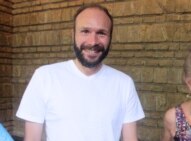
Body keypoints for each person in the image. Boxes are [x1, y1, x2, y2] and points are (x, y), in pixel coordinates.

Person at [16, 4, 145, 141]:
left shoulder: (124, 83)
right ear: (73, 34)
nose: (93, 41)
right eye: (85, 31)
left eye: (101, 33)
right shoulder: (44, 77)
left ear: (110, 38)